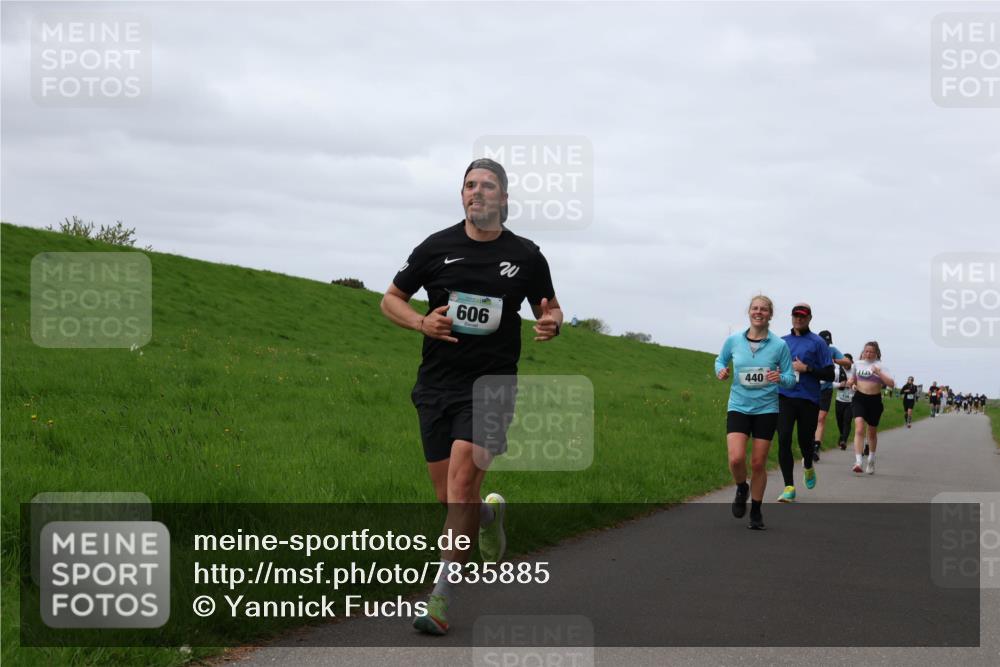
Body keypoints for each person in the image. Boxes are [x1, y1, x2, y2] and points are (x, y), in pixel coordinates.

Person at [381, 158, 562, 635]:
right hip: (437, 384)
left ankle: (439, 601)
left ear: (504, 198)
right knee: (451, 497)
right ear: (461, 195)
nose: (476, 192)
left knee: (461, 486)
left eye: (486, 186)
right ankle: (490, 515)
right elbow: (390, 299)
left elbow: (551, 306)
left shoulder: (526, 255)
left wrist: (553, 323)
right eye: (469, 185)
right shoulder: (436, 247)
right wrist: (422, 321)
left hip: (492, 386)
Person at [714, 295, 796, 530]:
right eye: (755, 308)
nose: (758, 312)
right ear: (749, 312)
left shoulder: (779, 345)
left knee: (758, 463)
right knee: (736, 458)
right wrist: (721, 371)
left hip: (766, 409)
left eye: (763, 309)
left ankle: (757, 511)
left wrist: (779, 377)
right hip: (739, 406)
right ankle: (742, 487)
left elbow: (791, 379)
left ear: (770, 315)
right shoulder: (733, 341)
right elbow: (719, 361)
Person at [775, 304, 835, 502]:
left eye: (803, 316)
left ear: (809, 318)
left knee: (804, 441)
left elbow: (829, 373)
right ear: (791, 317)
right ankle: (789, 487)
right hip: (784, 396)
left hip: (808, 399)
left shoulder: (818, 343)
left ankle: (808, 464)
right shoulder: (781, 342)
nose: (799, 319)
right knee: (783, 438)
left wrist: (806, 368)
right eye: (796, 316)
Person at [849, 341, 895, 474]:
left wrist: (879, 373)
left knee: (872, 432)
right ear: (863, 352)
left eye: (871, 352)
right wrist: (851, 384)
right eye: (866, 351)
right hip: (859, 398)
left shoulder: (881, 366)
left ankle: (871, 459)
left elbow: (891, 384)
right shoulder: (856, 364)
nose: (868, 354)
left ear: (876, 354)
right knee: (859, 428)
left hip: (874, 401)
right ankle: (858, 461)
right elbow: (852, 381)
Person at [813, 330, 851, 460]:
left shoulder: (832, 350)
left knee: (821, 418)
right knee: (811, 418)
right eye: (824, 342)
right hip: (812, 387)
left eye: (828, 343)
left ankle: (816, 447)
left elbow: (847, 362)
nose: (826, 345)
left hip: (826, 389)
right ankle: (810, 444)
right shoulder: (812, 347)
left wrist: (834, 360)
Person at [833, 353, 855, 449]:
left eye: (847, 361)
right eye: (843, 361)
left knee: (847, 420)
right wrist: (839, 385)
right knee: (839, 421)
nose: (845, 363)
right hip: (839, 400)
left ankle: (844, 440)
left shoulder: (855, 371)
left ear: (851, 362)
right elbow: (830, 383)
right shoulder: (837, 372)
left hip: (851, 401)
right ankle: (842, 435)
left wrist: (855, 386)